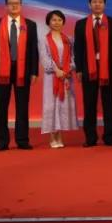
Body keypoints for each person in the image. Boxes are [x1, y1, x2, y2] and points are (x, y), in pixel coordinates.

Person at [0, 0, 39, 151]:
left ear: (21, 5)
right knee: (1, 107)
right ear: (6, 6)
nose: (14, 6)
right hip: (1, 70)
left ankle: (22, 140)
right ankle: (2, 141)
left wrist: (34, 72)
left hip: (23, 71)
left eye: (17, 3)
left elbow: (33, 50)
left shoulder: (30, 25)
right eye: (11, 3)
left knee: (22, 107)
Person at [73, 0, 112, 147]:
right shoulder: (81, 24)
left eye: (100, 2)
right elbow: (78, 48)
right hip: (88, 68)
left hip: (108, 68)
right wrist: (79, 69)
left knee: (109, 103)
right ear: (89, 5)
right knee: (89, 104)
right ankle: (90, 138)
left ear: (104, 5)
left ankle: (109, 137)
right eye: (94, 2)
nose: (97, 4)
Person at [39, 10, 79, 148]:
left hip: (66, 77)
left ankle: (60, 136)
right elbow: (44, 58)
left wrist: (67, 69)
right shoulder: (44, 39)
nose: (57, 23)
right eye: (54, 20)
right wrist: (57, 70)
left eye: (59, 20)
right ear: (48, 22)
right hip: (52, 77)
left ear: (63, 22)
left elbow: (73, 57)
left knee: (62, 106)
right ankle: (52, 137)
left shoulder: (68, 39)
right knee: (52, 105)